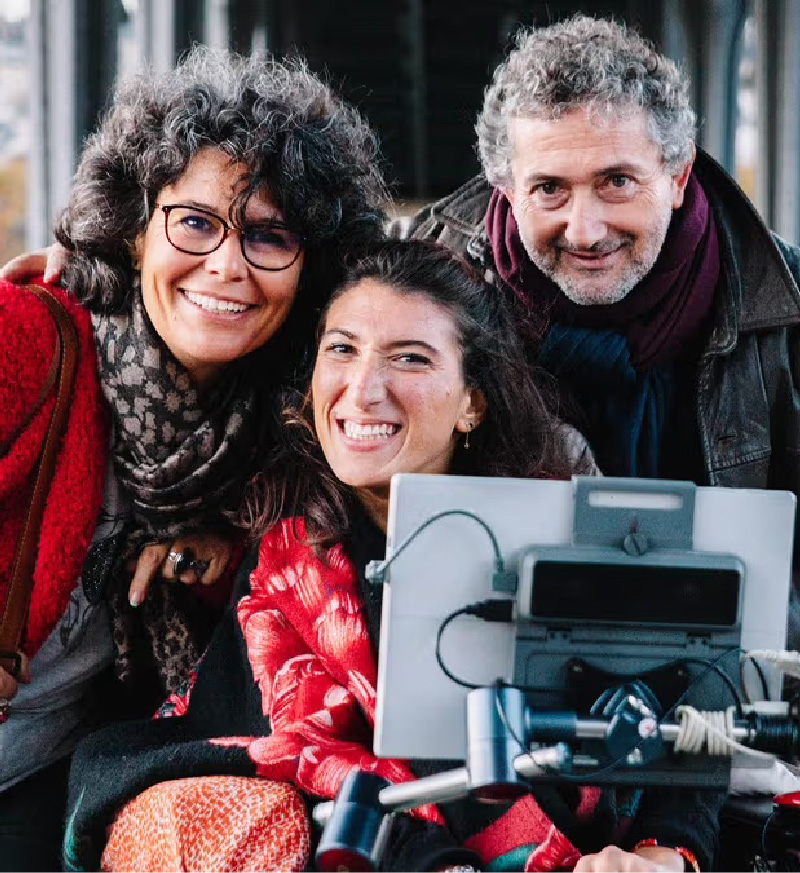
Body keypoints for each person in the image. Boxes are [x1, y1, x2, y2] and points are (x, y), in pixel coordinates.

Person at [64, 241, 718, 872]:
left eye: (409, 358)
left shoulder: (570, 538)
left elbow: (685, 721)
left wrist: (667, 851)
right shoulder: (289, 561)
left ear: (472, 402)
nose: (362, 388)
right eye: (342, 349)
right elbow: (290, 760)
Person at [0, 45, 386, 870]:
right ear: (135, 231)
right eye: (196, 222)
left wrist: (217, 566)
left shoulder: (290, 435)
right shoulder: (30, 342)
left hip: (44, 788)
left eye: (268, 235)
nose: (226, 265)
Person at [400, 15, 800, 647]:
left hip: (730, 686)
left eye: (616, 182)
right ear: (506, 189)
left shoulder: (788, 303)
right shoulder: (417, 290)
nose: (585, 231)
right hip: (478, 663)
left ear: (676, 177)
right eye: (549, 190)